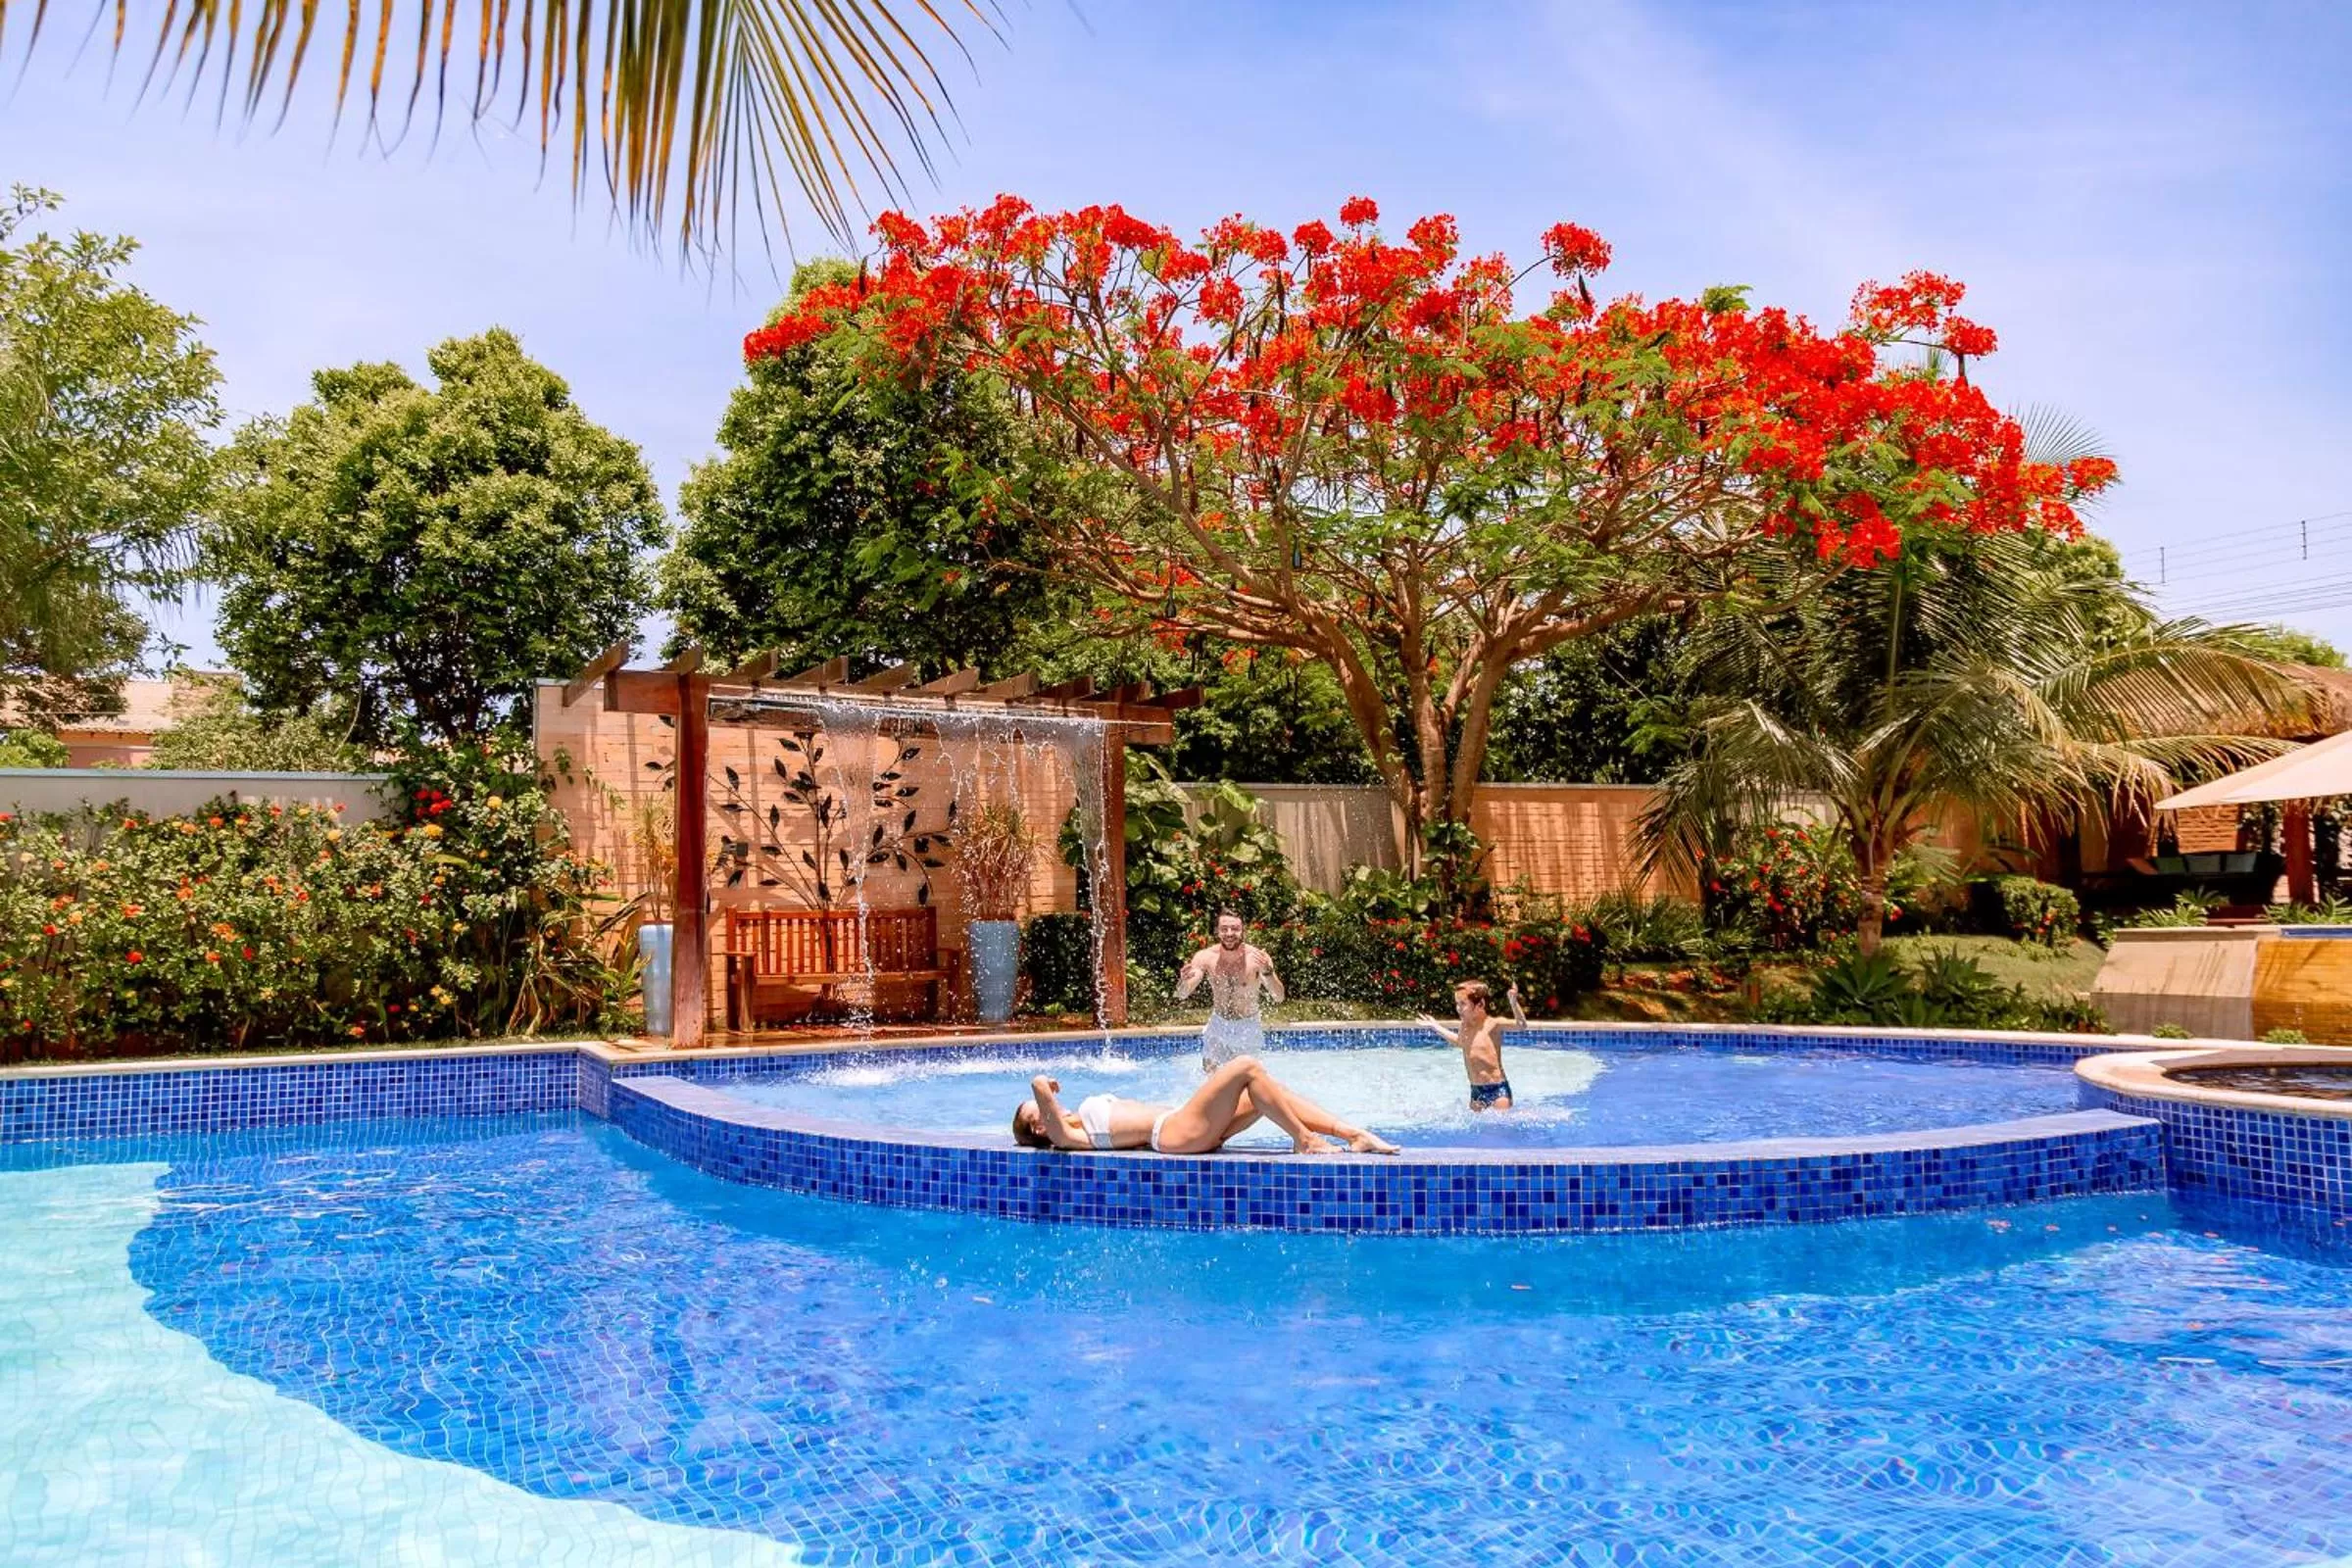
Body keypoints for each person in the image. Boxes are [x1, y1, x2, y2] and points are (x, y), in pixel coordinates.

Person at [1011, 1055, 1400, 1156]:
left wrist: (1045, 1094)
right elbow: (1048, 1107)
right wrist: (1039, 1084)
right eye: (1037, 1114)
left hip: (1181, 1125)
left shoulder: (1078, 1119)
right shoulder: (1069, 1138)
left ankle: (1353, 1134)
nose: (1045, 1110)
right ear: (1039, 1129)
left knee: (1264, 1090)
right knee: (1246, 1066)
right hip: (1174, 1135)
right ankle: (1305, 1140)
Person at [1173, 909, 1283, 1069]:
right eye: (1224, 929)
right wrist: (1183, 982)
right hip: (1218, 1025)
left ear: (1243, 930)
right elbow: (1182, 994)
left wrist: (1267, 971)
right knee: (1211, 1079)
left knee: (1246, 1080)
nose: (1229, 933)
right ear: (1217, 931)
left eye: (1235, 929)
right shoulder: (1205, 957)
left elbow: (1278, 997)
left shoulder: (1257, 959)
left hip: (1247, 1027)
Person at [1420, 979, 1527, 1111]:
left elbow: (1521, 1025)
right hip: (1476, 1090)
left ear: (1480, 1004)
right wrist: (1436, 1027)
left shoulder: (1493, 1024)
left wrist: (1513, 1003)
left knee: (1500, 1129)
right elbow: (1460, 1042)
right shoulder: (1465, 1026)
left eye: (1463, 1004)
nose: (1458, 1008)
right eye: (1457, 1004)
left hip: (1498, 1089)